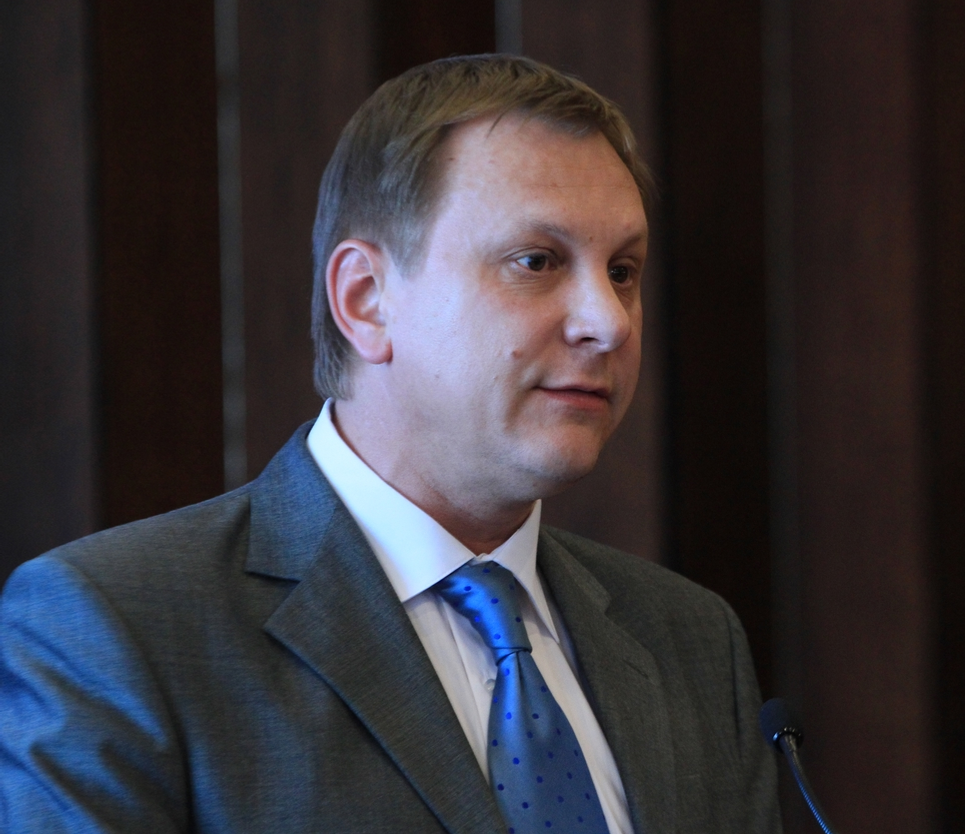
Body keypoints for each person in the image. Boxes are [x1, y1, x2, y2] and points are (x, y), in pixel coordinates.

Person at [0, 55, 781, 833]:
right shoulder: (119, 628)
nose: (608, 322)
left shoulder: (690, 638)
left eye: (623, 270)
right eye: (536, 261)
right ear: (366, 300)